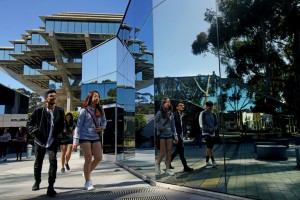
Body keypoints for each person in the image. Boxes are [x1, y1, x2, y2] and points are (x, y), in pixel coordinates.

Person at [26, 89, 65, 197]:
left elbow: (62, 125)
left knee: (53, 162)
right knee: (38, 163)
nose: (54, 97)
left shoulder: (60, 111)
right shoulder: (38, 111)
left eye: (55, 96)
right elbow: (29, 124)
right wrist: (35, 132)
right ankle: (37, 181)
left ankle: (51, 186)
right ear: (46, 99)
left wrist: (59, 135)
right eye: (51, 96)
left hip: (52, 141)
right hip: (39, 141)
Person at [72, 90, 107, 191]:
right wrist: (75, 141)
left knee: (98, 157)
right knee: (88, 158)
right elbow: (78, 126)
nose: (97, 98)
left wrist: (102, 127)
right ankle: (88, 182)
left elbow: (104, 121)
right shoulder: (84, 110)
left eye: (98, 97)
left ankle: (86, 172)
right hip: (84, 137)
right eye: (95, 96)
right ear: (90, 98)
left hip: (95, 136)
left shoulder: (100, 109)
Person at [155, 97, 178, 176]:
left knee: (169, 152)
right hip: (161, 135)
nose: (168, 103)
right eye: (167, 102)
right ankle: (157, 164)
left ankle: (167, 169)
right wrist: (161, 127)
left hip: (169, 135)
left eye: (169, 102)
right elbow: (155, 123)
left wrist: (175, 135)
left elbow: (173, 125)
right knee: (162, 152)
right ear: (163, 103)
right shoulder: (159, 113)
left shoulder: (171, 113)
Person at [170, 102, 193, 172]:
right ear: (177, 107)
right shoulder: (173, 115)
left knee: (178, 150)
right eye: (180, 105)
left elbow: (185, 125)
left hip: (181, 135)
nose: (182, 106)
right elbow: (171, 126)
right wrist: (174, 136)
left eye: (183, 105)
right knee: (181, 150)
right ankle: (185, 166)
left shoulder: (184, 115)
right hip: (176, 135)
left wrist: (186, 132)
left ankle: (167, 162)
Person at [199, 101, 218, 167]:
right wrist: (208, 129)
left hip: (212, 133)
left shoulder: (213, 114)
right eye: (209, 106)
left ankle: (207, 161)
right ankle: (213, 161)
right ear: (206, 106)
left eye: (211, 106)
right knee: (210, 147)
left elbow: (216, 123)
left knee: (209, 147)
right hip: (206, 132)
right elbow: (201, 124)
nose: (211, 107)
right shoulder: (203, 113)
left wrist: (214, 128)